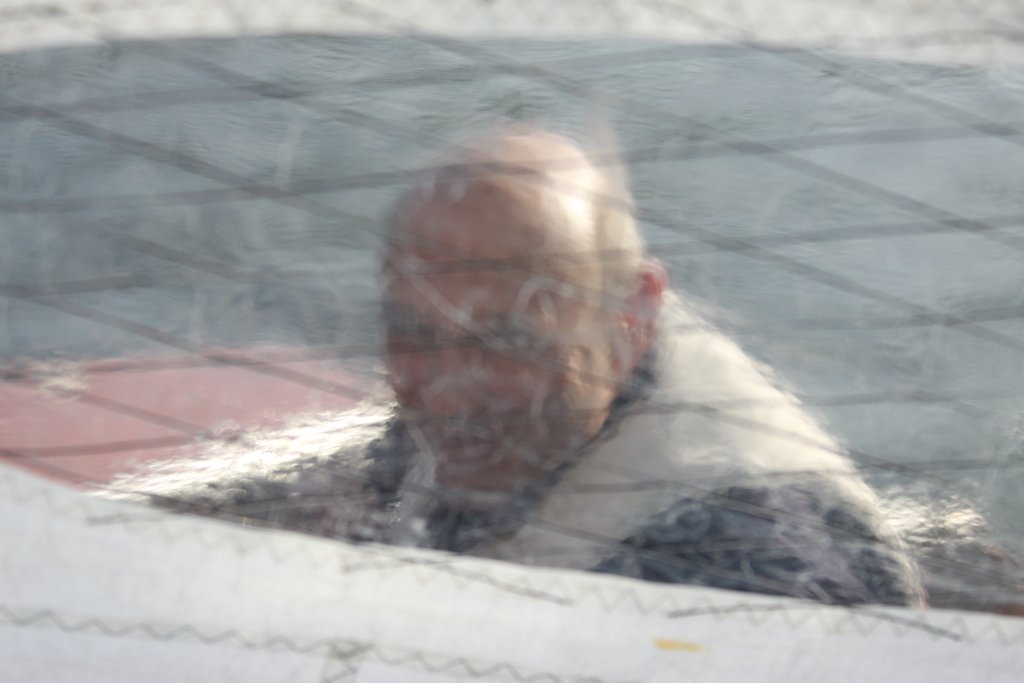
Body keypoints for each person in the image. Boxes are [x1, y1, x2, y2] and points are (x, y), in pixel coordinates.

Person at [107, 126, 925, 607]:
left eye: (503, 342)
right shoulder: (491, 424)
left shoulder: (759, 565)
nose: (445, 391)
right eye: (412, 333)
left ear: (633, 315)